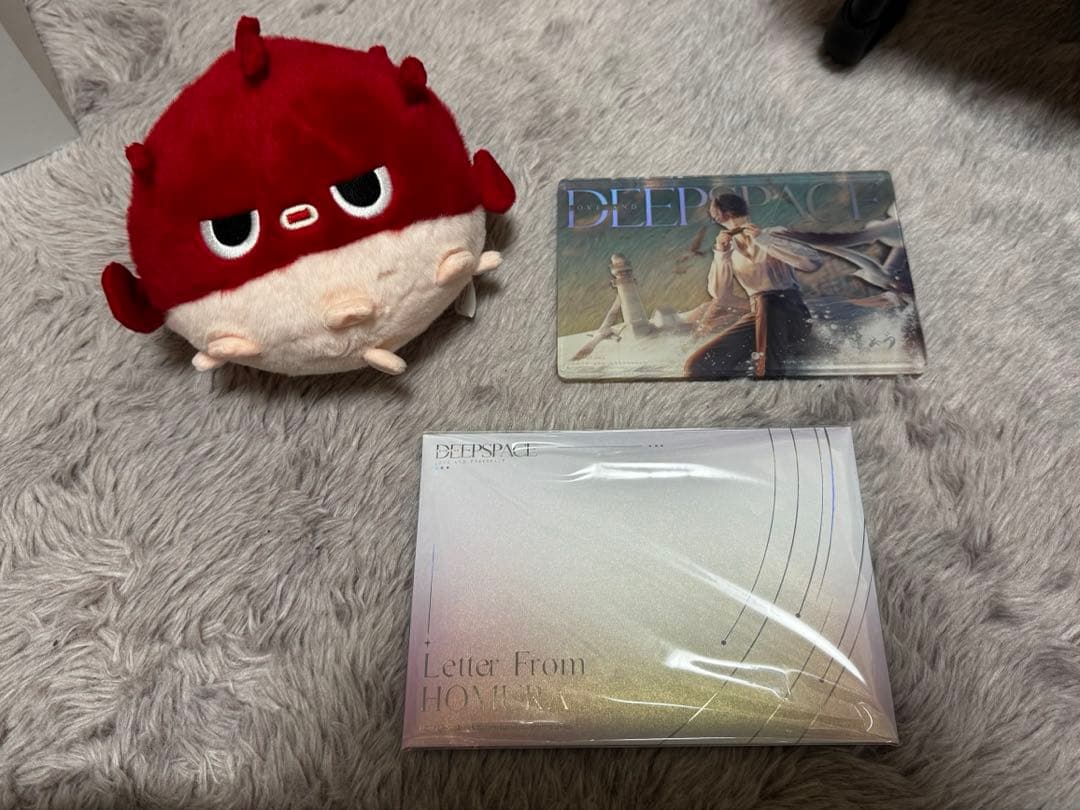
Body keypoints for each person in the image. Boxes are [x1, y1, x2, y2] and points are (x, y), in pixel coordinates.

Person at [684, 193, 824, 378]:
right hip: (758, 314)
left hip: (792, 312)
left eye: (712, 209)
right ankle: (760, 375)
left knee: (768, 301)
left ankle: (769, 376)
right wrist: (722, 254)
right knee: (696, 366)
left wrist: (764, 241)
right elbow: (719, 295)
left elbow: (812, 262)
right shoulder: (729, 248)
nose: (710, 213)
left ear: (722, 213)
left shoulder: (773, 233)